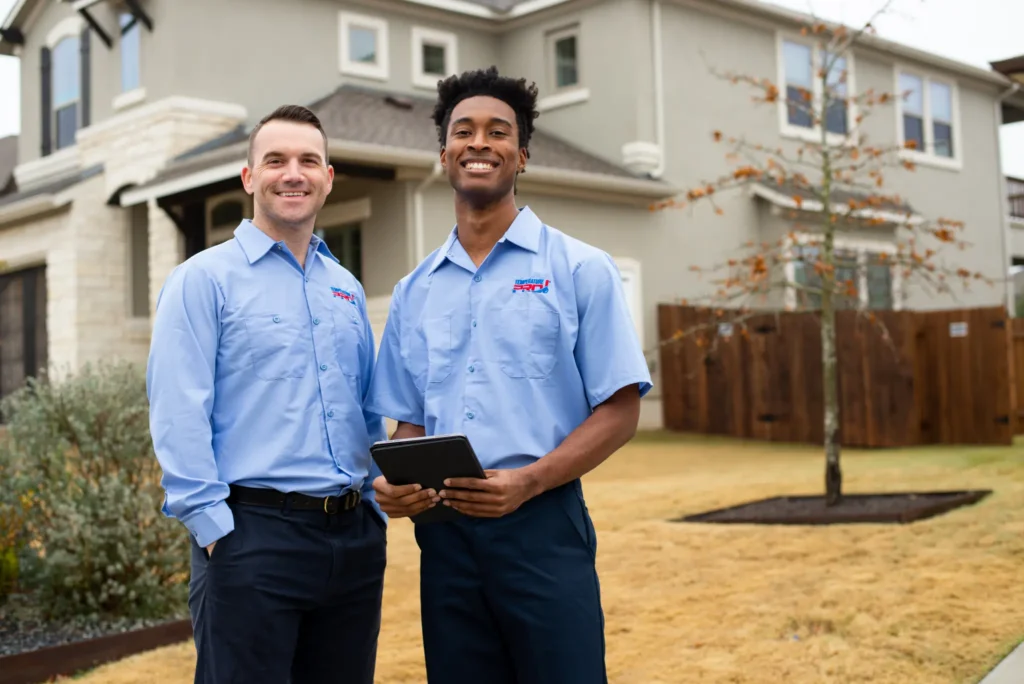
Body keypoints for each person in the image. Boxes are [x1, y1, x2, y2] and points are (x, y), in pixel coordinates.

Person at [365, 67, 653, 683]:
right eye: (463, 130)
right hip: (444, 538)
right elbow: (410, 422)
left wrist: (528, 481)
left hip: (543, 527)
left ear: (521, 155)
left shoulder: (580, 270)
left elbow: (621, 409)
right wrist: (393, 484)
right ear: (443, 152)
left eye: (499, 132)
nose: (479, 142)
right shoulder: (414, 292)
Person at [146, 105, 388, 684]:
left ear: (329, 178)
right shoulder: (203, 280)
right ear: (249, 177)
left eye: (309, 160)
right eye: (275, 160)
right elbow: (178, 411)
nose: (293, 173)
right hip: (251, 540)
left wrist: (374, 512)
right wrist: (213, 530)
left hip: (352, 543)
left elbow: (364, 409)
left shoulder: (346, 289)